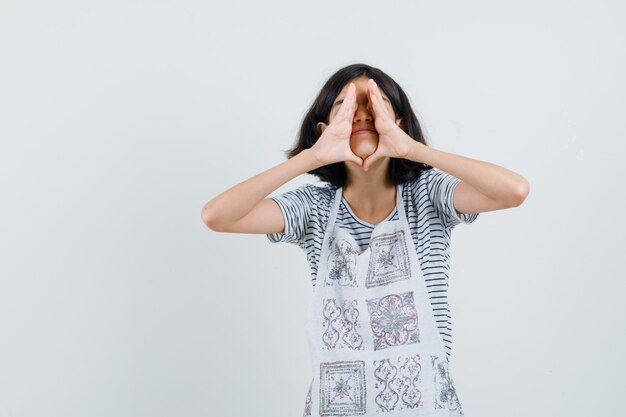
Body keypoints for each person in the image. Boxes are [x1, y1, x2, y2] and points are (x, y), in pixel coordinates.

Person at [201, 63, 529, 416]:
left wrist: (414, 150)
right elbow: (217, 216)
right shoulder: (314, 208)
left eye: (374, 104)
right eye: (345, 105)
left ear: (399, 122)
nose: (360, 114)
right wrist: (312, 156)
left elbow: (513, 191)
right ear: (324, 128)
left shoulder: (429, 195)